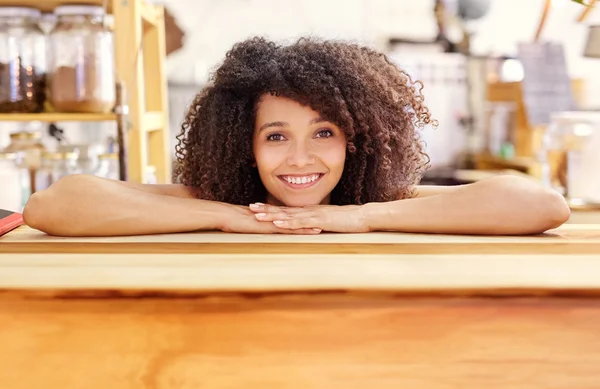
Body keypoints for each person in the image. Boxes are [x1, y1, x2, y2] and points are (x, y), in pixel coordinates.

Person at [23, 37, 570, 237]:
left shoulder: (378, 203)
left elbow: (543, 206)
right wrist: (230, 216)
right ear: (245, 142)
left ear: (356, 141)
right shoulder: (220, 204)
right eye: (277, 136)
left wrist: (358, 217)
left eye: (324, 132)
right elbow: (52, 205)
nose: (300, 158)